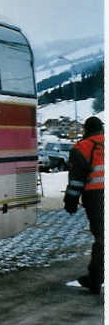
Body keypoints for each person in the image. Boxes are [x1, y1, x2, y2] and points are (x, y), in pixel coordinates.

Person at [63, 116, 104, 293]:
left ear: (86, 130)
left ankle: (95, 279)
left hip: (97, 197)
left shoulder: (82, 148)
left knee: (102, 238)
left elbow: (76, 181)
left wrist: (70, 201)